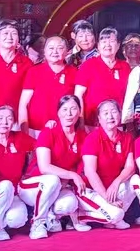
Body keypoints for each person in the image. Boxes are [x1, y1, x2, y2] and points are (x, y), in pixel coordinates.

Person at [31, 94, 95, 237]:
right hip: (37, 184)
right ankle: (37, 223)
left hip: (62, 185)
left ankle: (52, 214)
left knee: (69, 204)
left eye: (73, 109)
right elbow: (44, 167)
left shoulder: (82, 136)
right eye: (65, 109)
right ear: (58, 112)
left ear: (79, 112)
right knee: (52, 180)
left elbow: (81, 166)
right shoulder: (48, 132)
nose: (69, 114)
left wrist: (71, 178)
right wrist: (72, 175)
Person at [0, 104, 41, 240]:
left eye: (9, 118)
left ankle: (4, 221)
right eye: (0, 118)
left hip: (15, 190)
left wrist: (50, 129)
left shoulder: (20, 137)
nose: (5, 122)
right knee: (5, 185)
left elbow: (42, 147)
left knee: (17, 220)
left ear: (13, 122)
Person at [80, 99, 138, 228]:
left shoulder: (127, 138)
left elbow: (130, 167)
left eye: (114, 112)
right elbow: (90, 172)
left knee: (135, 180)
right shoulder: (92, 139)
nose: (110, 116)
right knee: (115, 215)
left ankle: (114, 215)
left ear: (120, 114)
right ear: (99, 119)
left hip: (112, 187)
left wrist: (116, 182)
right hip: (92, 189)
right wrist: (106, 197)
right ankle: (79, 216)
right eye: (105, 113)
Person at [75, 27, 133, 125]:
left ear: (118, 45)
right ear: (98, 45)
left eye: (112, 41)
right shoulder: (88, 65)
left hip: (117, 123)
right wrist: (81, 122)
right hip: (92, 124)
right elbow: (78, 95)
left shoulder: (125, 67)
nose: (107, 45)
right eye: (104, 41)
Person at [18, 35, 77, 131]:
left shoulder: (74, 72)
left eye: (60, 48)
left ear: (67, 51)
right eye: (51, 48)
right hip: (36, 129)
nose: (55, 51)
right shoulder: (34, 71)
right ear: (44, 51)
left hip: (64, 129)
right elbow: (23, 103)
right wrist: (24, 131)